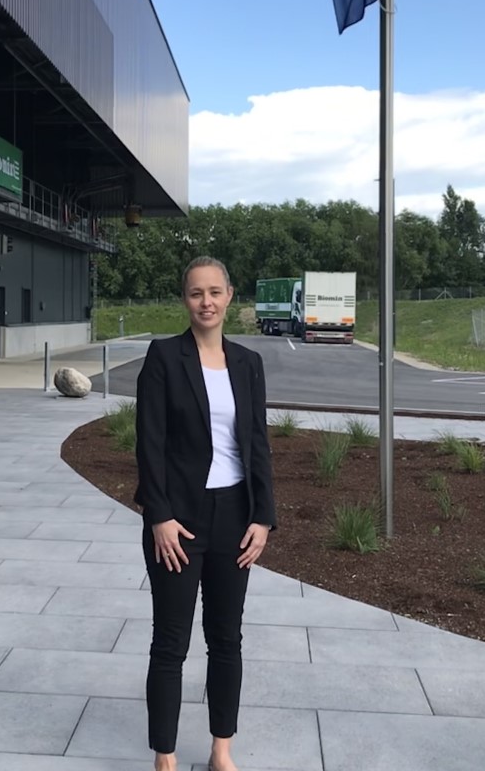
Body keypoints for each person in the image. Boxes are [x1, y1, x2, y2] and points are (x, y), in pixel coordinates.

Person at [133, 256, 276, 771]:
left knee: (226, 638)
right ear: (185, 299)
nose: (207, 302)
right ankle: (165, 756)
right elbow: (149, 443)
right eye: (196, 293)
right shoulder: (164, 357)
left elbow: (257, 444)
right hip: (179, 519)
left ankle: (222, 750)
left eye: (215, 292)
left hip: (235, 516)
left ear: (230, 296)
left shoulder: (247, 363)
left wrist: (263, 516)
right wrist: (159, 516)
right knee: (170, 641)